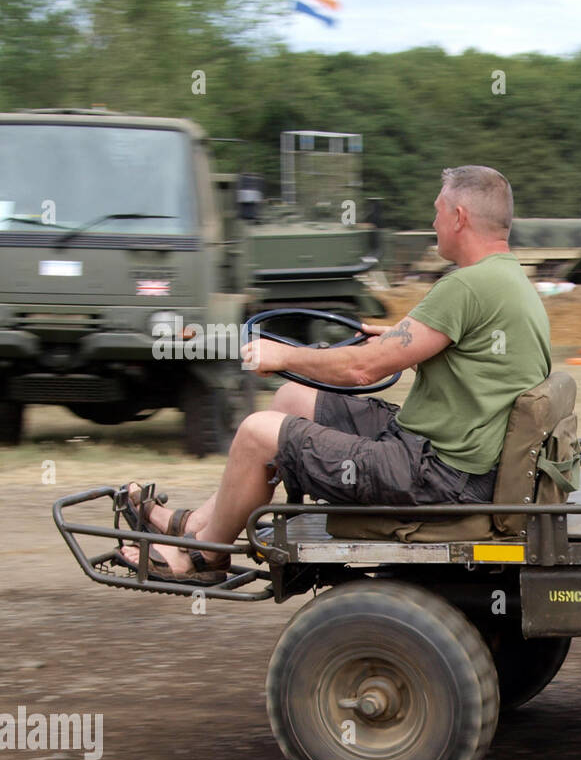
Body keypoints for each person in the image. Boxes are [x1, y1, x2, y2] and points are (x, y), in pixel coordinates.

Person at [118, 165, 551, 583]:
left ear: (459, 217)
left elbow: (361, 369)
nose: (432, 220)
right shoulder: (507, 280)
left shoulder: (466, 287)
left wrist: (282, 354)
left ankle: (203, 555)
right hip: (453, 460)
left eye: (437, 210)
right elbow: (482, 360)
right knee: (290, 399)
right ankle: (196, 523)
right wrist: (405, 340)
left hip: (441, 476)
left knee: (255, 433)